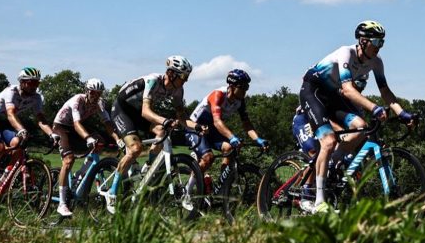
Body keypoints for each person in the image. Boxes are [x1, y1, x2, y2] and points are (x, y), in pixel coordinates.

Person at [298, 20, 415, 214]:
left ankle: (333, 162)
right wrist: (374, 108)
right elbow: (348, 90)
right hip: (313, 90)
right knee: (328, 140)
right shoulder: (346, 53)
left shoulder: (376, 63)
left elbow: (385, 91)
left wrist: (401, 112)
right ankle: (319, 201)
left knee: (361, 126)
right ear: (362, 41)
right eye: (376, 43)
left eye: (382, 43)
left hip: (333, 94)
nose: (379, 47)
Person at [105, 55, 200, 213]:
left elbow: (182, 117)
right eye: (183, 76)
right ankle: (112, 192)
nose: (186, 80)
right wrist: (165, 120)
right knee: (135, 148)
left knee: (162, 131)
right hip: (122, 110)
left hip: (138, 113)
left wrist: (197, 127)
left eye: (187, 76)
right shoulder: (153, 81)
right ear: (171, 74)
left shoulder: (178, 90)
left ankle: (149, 166)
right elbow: (146, 111)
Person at [0, 67, 57, 203]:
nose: (34, 86)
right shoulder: (11, 91)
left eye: (37, 83)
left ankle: (4, 176)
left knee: (18, 144)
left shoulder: (36, 98)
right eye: (31, 82)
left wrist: (52, 134)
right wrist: (21, 129)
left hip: (5, 123)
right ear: (22, 82)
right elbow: (11, 114)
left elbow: (41, 120)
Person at [185, 69, 269, 192]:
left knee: (229, 148)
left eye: (247, 87)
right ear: (232, 85)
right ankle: (186, 193)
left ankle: (222, 187)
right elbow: (217, 121)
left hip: (211, 130)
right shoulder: (218, 95)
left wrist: (258, 139)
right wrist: (232, 137)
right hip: (195, 128)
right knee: (208, 158)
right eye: (243, 87)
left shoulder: (240, 102)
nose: (245, 90)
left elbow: (247, 125)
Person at [52, 78, 124, 217]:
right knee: (68, 160)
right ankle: (62, 204)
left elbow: (108, 124)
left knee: (100, 140)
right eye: (92, 93)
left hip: (75, 129)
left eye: (98, 93)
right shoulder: (77, 101)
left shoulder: (99, 104)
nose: (95, 96)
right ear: (86, 91)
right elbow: (77, 124)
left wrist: (118, 139)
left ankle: (80, 175)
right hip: (61, 127)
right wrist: (87, 138)